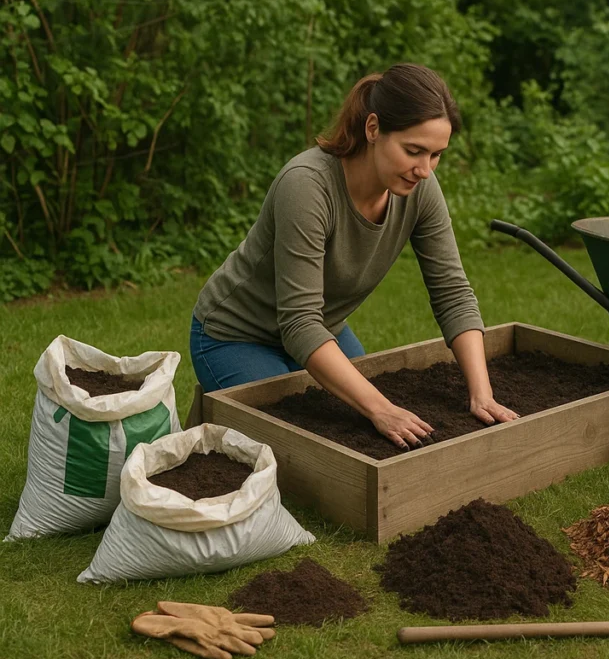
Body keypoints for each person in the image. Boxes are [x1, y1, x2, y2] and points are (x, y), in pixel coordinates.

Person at [190, 63, 518, 451]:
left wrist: (481, 394)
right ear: (373, 128)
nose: (424, 170)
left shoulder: (421, 190)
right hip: (236, 334)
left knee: (356, 424)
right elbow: (299, 321)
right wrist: (381, 409)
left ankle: (224, 409)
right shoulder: (307, 185)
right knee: (294, 444)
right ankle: (212, 412)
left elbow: (453, 293)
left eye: (436, 155)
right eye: (413, 151)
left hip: (322, 328)